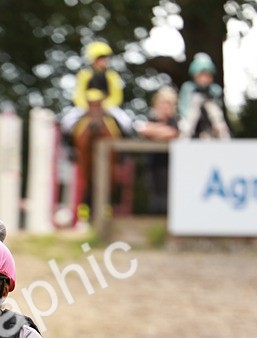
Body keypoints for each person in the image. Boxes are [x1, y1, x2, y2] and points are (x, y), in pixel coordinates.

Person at [63, 41, 133, 140]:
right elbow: (78, 94)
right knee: (67, 122)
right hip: (86, 107)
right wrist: (86, 106)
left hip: (107, 107)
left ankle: (124, 146)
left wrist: (103, 106)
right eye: (100, 58)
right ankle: (68, 146)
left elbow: (116, 96)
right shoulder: (84, 75)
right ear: (93, 60)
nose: (104, 61)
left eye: (105, 58)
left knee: (126, 122)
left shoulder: (112, 76)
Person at [136, 86, 180, 214]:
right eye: (162, 104)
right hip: (153, 165)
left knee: (169, 197)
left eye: (167, 104)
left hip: (170, 165)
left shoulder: (175, 121)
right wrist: (162, 130)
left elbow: (172, 133)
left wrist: (154, 131)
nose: (164, 107)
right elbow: (143, 130)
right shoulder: (150, 119)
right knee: (155, 197)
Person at [179, 53, 231, 140]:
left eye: (207, 75)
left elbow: (218, 114)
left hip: (210, 133)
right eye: (201, 75)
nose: (204, 79)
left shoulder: (214, 90)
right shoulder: (188, 88)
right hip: (192, 129)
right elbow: (184, 111)